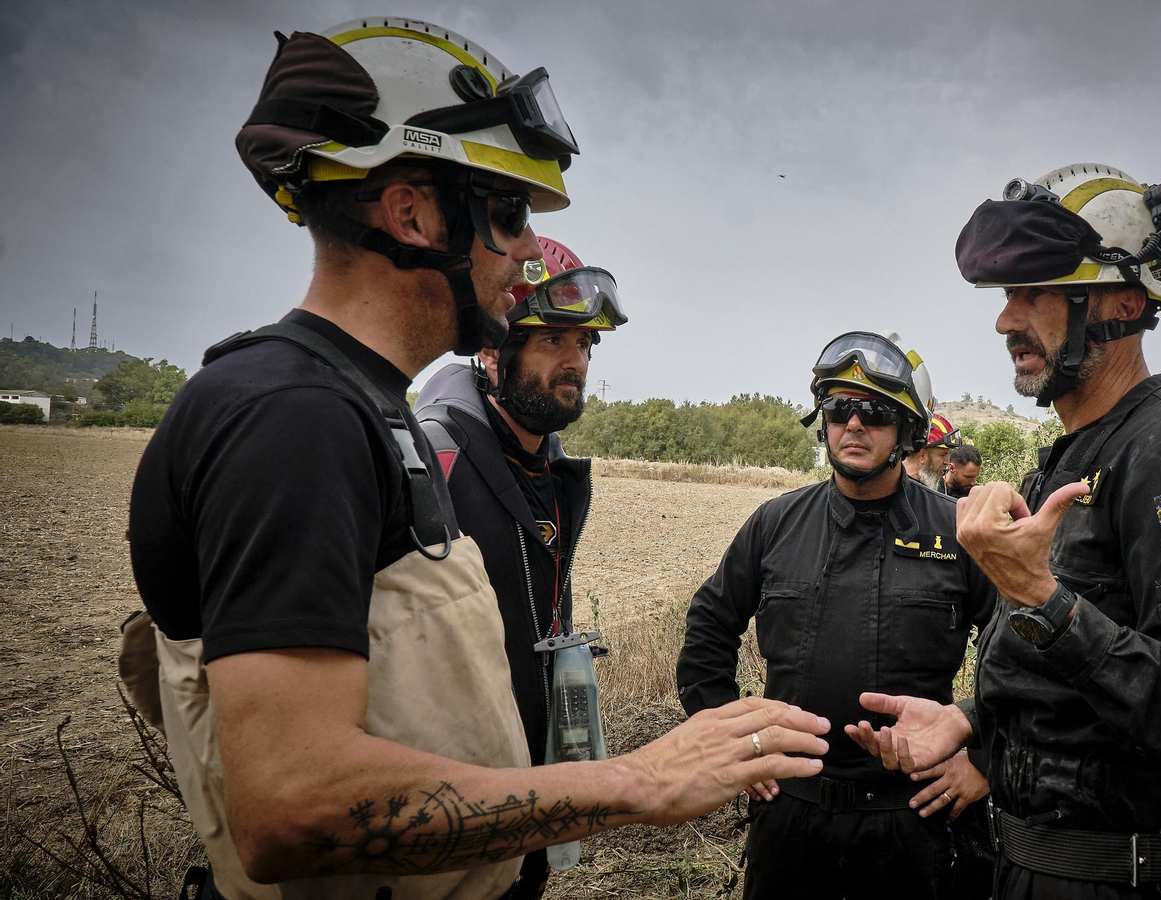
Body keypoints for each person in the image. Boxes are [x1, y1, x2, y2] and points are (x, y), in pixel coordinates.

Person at [121, 19, 827, 900]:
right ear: (413, 214)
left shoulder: (364, 410)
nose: (528, 248)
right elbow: (291, 807)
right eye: (508, 213)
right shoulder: (293, 418)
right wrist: (638, 782)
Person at [845, 163, 1161, 899]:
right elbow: (1072, 702)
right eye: (1008, 294)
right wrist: (970, 720)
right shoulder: (1074, 458)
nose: (1007, 320)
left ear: (1124, 301)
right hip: (1020, 868)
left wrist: (1041, 599)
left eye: (1035, 292)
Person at [676, 332, 996, 900]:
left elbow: (1023, 651)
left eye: (873, 412)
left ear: (908, 432)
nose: (853, 424)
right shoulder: (776, 523)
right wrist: (731, 743)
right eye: (839, 408)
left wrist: (983, 756)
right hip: (792, 822)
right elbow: (708, 628)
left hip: (915, 823)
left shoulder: (958, 532)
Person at [412, 236, 621, 898]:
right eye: (555, 340)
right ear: (494, 347)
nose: (576, 361)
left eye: (586, 345)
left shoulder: (548, 465)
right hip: (447, 808)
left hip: (533, 788)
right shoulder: (433, 454)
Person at [904, 413, 960, 491]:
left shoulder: (922, 487)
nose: (947, 462)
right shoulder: (902, 490)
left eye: (948, 454)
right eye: (943, 454)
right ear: (922, 455)